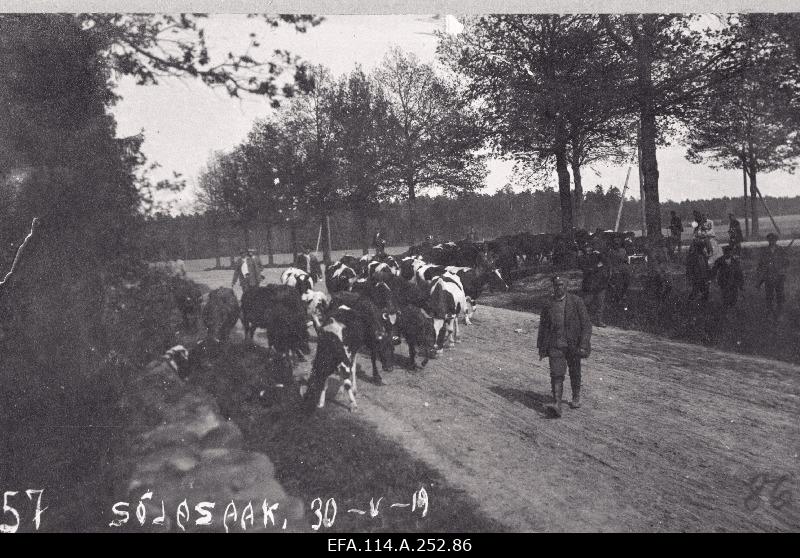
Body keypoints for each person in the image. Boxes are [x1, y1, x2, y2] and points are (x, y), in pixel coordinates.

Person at [537, 276, 593, 418]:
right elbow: (543, 327)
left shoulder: (576, 302)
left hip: (573, 345)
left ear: (566, 286)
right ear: (553, 286)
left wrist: (584, 344)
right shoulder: (548, 304)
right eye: (556, 285)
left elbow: (586, 325)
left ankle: (576, 397)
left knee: (575, 371)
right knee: (556, 374)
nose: (558, 287)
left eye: (561, 285)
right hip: (555, 344)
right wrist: (541, 346)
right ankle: (557, 403)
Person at [756, 233, 787, 315]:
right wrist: (760, 274)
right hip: (768, 276)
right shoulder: (764, 251)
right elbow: (760, 264)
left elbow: (786, 262)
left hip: (779, 276)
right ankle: (769, 311)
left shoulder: (781, 250)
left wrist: (782, 267)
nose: (772, 241)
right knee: (769, 295)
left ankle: (780, 312)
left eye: (773, 239)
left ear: (776, 240)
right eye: (770, 239)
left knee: (780, 295)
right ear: (768, 240)